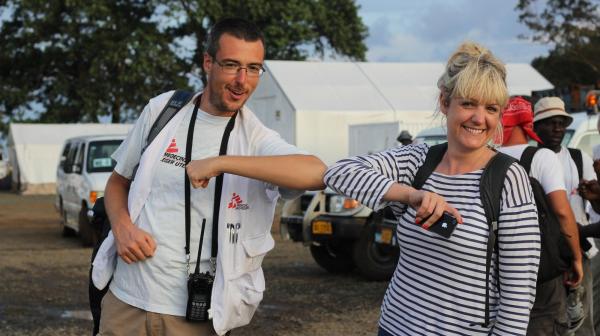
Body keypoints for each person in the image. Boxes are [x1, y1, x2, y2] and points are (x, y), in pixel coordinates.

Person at [93, 18, 326, 336]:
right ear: (208, 62)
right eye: (231, 65)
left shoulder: (256, 138)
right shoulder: (164, 110)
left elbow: (316, 172)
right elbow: (118, 182)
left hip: (198, 316)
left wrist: (220, 163)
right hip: (126, 303)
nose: (242, 81)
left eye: (254, 68)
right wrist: (122, 229)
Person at [324, 42, 540, 335]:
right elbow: (339, 172)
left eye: (491, 108)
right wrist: (411, 194)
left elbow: (518, 296)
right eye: (468, 103)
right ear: (444, 102)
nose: (480, 118)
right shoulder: (417, 160)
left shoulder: (507, 178)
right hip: (394, 327)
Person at [498, 96, 583, 335]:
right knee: (546, 321)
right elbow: (562, 213)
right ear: (529, 124)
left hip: (498, 266)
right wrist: (576, 258)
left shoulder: (487, 157)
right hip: (540, 266)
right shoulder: (541, 156)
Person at [533, 96, 598, 335]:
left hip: (579, 250)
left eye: (562, 122)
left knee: (583, 324)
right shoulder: (528, 161)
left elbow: (597, 210)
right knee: (551, 323)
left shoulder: (579, 159)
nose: (558, 127)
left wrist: (594, 197)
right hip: (546, 258)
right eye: (550, 122)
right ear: (535, 127)